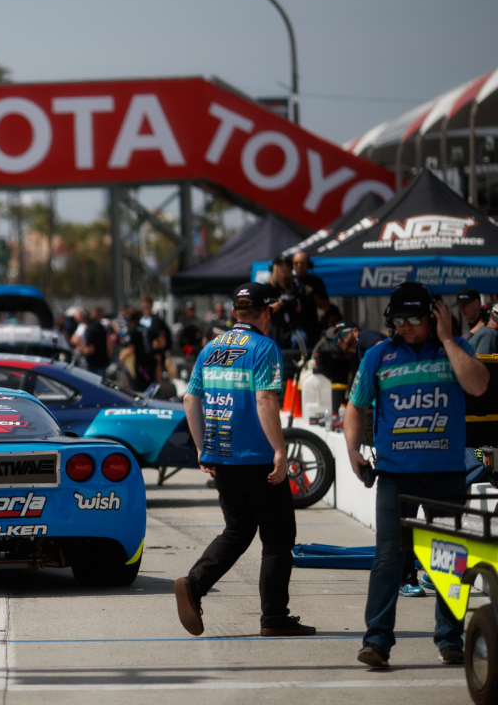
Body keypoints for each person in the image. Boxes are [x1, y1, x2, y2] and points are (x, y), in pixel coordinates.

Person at [345, 283, 488, 667]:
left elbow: (477, 385)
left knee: (447, 557)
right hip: (395, 477)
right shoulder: (378, 355)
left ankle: (450, 639)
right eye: (398, 320)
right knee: (389, 559)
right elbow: (356, 407)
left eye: (414, 319)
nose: (405, 327)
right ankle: (376, 641)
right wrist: (353, 450)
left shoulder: (457, 347)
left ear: (435, 315)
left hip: (445, 474)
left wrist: (446, 337)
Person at [173, 283, 315, 638]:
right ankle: (274, 618)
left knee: (238, 530)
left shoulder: (211, 347)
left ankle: (195, 583)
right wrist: (280, 451)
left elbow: (190, 401)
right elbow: (265, 401)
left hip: (221, 455)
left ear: (235, 312)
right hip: (257, 457)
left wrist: (203, 446)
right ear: (266, 312)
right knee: (279, 538)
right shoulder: (264, 347)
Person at [291, 251, 330, 346]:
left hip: (312, 325)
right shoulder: (289, 282)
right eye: (296, 263)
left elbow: (326, 306)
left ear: (308, 264)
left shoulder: (316, 282)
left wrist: (314, 297)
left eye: (302, 263)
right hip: (291, 326)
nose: (299, 266)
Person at [264, 255, 301, 350]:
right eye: (281, 265)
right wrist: (281, 302)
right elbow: (265, 311)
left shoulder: (293, 286)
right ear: (275, 268)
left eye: (286, 265)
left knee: (301, 340)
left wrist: (295, 302)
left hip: (291, 328)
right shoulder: (268, 287)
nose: (284, 268)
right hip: (275, 329)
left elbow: (298, 309)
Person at [81, 307, 109, 372]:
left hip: (95, 364)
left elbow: (91, 349)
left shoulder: (90, 329)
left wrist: (82, 352)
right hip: (103, 360)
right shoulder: (99, 325)